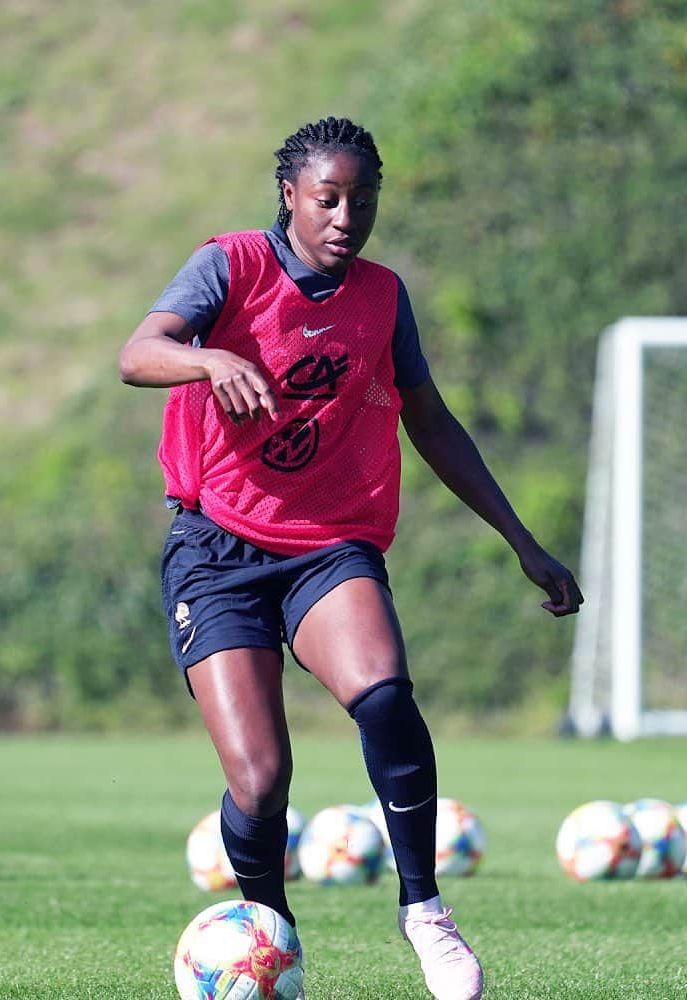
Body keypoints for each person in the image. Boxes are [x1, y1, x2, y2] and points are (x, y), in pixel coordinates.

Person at [119, 115, 583, 1000]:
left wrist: (522, 541)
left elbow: (431, 420)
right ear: (290, 196)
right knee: (260, 783)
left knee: (384, 692)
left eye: (362, 202)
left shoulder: (382, 296)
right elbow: (136, 355)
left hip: (330, 542)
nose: (345, 218)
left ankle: (425, 910)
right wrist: (208, 358)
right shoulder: (231, 265)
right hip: (216, 547)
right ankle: (270, 936)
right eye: (327, 199)